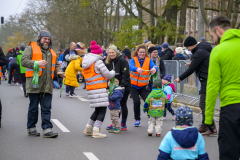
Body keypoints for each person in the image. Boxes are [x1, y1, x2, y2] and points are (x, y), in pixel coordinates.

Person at [206, 16, 240, 160]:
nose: (213, 40)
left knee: (228, 152)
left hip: (231, 107)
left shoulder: (218, 50)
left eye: (212, 35)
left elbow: (213, 86)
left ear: (218, 31)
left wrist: (208, 119)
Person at [21, 30, 65, 138]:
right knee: (33, 108)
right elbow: (23, 61)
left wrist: (59, 72)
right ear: (39, 38)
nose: (47, 41)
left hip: (47, 85)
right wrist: (36, 63)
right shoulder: (30, 48)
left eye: (48, 39)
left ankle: (47, 130)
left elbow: (56, 65)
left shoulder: (52, 52)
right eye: (45, 38)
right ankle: (31, 128)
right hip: (34, 83)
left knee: (46, 108)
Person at [174, 36, 217, 135]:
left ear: (192, 45)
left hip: (208, 80)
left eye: (188, 47)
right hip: (207, 79)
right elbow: (200, 64)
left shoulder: (199, 52)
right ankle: (204, 125)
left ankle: (212, 127)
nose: (187, 49)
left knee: (203, 103)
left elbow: (191, 70)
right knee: (204, 103)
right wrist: (193, 64)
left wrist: (180, 78)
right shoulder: (201, 50)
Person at [82, 41, 115, 138]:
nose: (102, 54)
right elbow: (108, 74)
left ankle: (88, 128)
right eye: (101, 52)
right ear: (98, 53)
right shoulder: (98, 62)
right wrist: (113, 72)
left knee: (97, 110)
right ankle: (96, 131)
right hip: (99, 88)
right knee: (102, 110)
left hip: (91, 89)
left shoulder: (86, 63)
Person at [129, 44, 158, 127]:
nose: (142, 53)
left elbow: (154, 66)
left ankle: (151, 118)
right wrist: (136, 69)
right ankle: (137, 119)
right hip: (133, 86)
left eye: (143, 52)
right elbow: (130, 67)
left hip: (144, 86)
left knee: (148, 101)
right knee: (137, 102)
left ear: (145, 53)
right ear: (137, 52)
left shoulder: (148, 60)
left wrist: (154, 69)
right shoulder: (133, 60)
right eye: (140, 52)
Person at [105, 45, 131, 131]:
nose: (111, 54)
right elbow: (107, 75)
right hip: (113, 86)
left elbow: (125, 74)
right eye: (110, 53)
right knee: (115, 105)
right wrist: (108, 87)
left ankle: (123, 123)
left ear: (116, 52)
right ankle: (115, 123)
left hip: (123, 86)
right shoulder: (108, 62)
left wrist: (122, 86)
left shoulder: (122, 60)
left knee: (123, 104)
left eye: (113, 52)